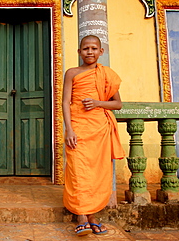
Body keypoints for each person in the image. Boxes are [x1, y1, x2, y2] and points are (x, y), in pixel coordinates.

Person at [62, 35, 125, 236]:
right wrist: (69, 129)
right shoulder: (72, 73)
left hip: (99, 130)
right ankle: (81, 216)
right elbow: (65, 102)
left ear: (101, 52)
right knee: (78, 171)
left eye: (94, 48)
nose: (90, 52)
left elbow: (118, 104)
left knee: (97, 174)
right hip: (78, 127)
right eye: (86, 48)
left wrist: (98, 103)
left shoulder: (107, 75)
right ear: (79, 52)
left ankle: (92, 216)